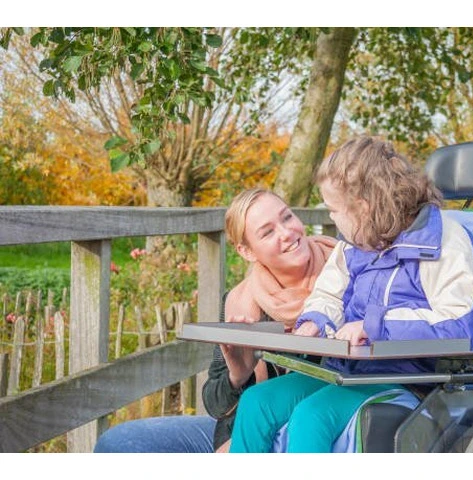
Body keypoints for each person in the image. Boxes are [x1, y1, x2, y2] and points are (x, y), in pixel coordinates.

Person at [228, 136, 473, 453]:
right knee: (258, 401)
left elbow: (459, 322)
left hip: (413, 379)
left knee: (312, 417)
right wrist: (315, 321)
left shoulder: (445, 241)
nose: (331, 219)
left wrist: (373, 326)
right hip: (350, 371)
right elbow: (328, 295)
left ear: (362, 208)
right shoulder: (354, 243)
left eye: (333, 210)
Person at [93, 188, 337, 453]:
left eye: (287, 217)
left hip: (315, 430)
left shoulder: (346, 277)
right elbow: (215, 404)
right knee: (118, 442)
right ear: (247, 251)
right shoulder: (240, 302)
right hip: (244, 430)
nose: (287, 232)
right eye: (267, 232)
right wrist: (238, 376)